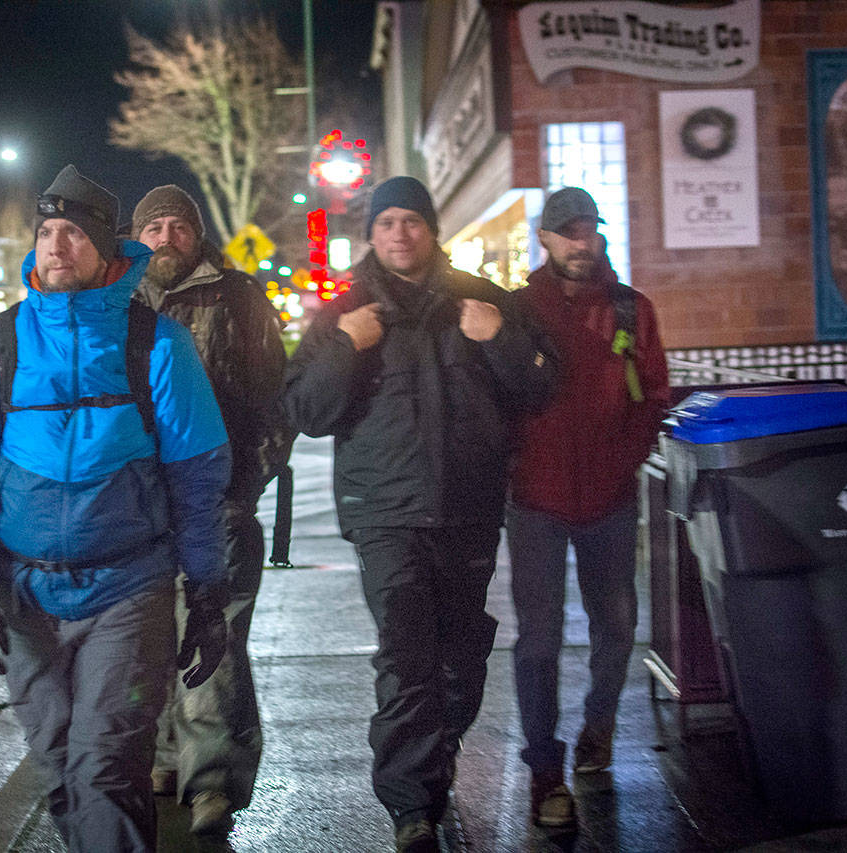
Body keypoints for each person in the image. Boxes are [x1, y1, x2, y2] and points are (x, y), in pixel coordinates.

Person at [0, 164, 232, 853]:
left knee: (108, 766)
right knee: (61, 767)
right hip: (27, 595)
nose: (56, 244)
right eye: (46, 231)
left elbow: (198, 480)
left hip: (129, 591)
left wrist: (207, 593)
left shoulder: (157, 344)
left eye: (72, 232)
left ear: (107, 250)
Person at [283, 176, 557, 853]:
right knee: (406, 658)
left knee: (462, 657)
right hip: (384, 514)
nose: (399, 233)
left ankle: (437, 744)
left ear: (430, 228)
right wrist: (346, 346)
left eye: (411, 220)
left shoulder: (483, 299)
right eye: (387, 223)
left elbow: (540, 387)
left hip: (468, 509)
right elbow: (303, 412)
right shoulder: (343, 309)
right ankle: (411, 809)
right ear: (371, 234)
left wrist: (498, 340)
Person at [507, 186, 669, 828]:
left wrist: (624, 457)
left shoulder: (631, 309)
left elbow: (654, 393)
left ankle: (597, 728)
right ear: (544, 240)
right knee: (538, 640)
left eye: (589, 230)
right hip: (536, 500)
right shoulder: (518, 311)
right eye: (567, 232)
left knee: (617, 622)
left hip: (608, 495)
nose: (581, 241)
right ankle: (545, 768)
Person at [131, 185, 290, 836]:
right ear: (137, 237)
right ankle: (168, 757)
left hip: (214, 505)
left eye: (178, 225)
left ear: (197, 234)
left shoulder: (238, 296)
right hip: (134, 512)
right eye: (153, 227)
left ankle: (214, 783)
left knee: (212, 640)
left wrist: (244, 482)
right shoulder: (115, 301)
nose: (166, 236)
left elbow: (277, 401)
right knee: (149, 642)